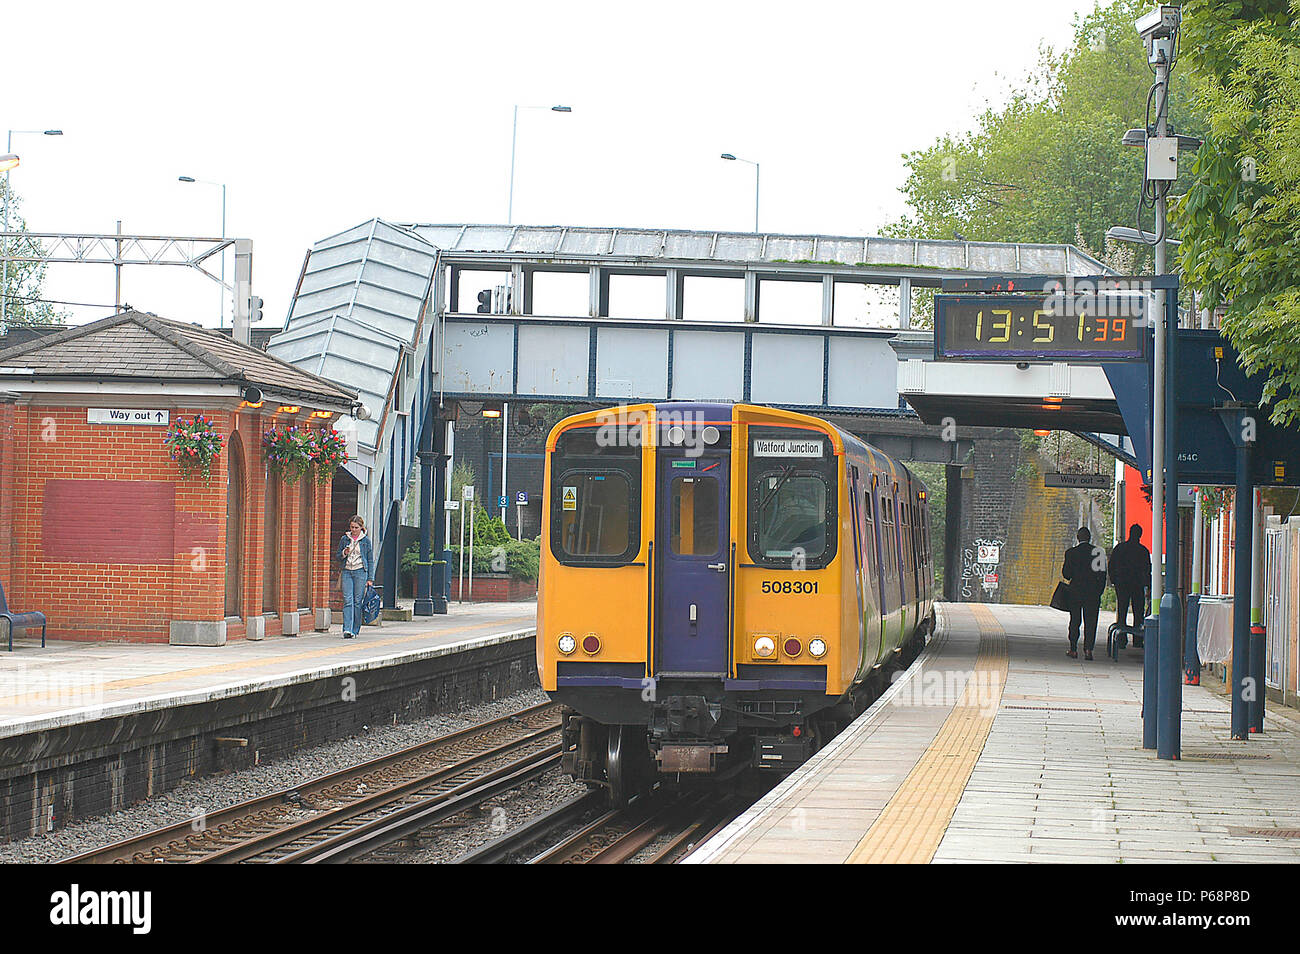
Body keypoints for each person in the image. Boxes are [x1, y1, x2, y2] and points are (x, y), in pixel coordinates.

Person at [1062, 527, 1107, 660]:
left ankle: (1073, 649)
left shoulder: (1071, 553)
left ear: (1078, 537)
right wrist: (1099, 591)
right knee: (1091, 622)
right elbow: (1102, 575)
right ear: (1090, 537)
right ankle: (1088, 650)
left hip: (1075, 592)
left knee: (1075, 620)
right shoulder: (1098, 553)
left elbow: (1067, 575)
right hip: (1092, 593)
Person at [1109, 523, 1152, 649]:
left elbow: (1111, 565)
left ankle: (1121, 640)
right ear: (1140, 535)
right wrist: (1148, 586)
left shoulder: (1120, 548)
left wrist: (1114, 581)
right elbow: (1147, 569)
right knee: (1138, 612)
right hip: (1137, 585)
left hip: (1122, 584)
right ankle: (1137, 639)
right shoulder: (1143, 551)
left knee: (1122, 611)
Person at [337, 515, 374, 639]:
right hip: (347, 571)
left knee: (357, 602)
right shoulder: (344, 539)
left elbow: (370, 560)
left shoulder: (365, 541)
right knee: (348, 600)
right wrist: (344, 553)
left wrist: (370, 578)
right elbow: (338, 556)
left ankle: (355, 629)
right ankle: (347, 629)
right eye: (352, 527)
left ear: (361, 528)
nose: (353, 530)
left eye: (356, 527)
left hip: (360, 571)